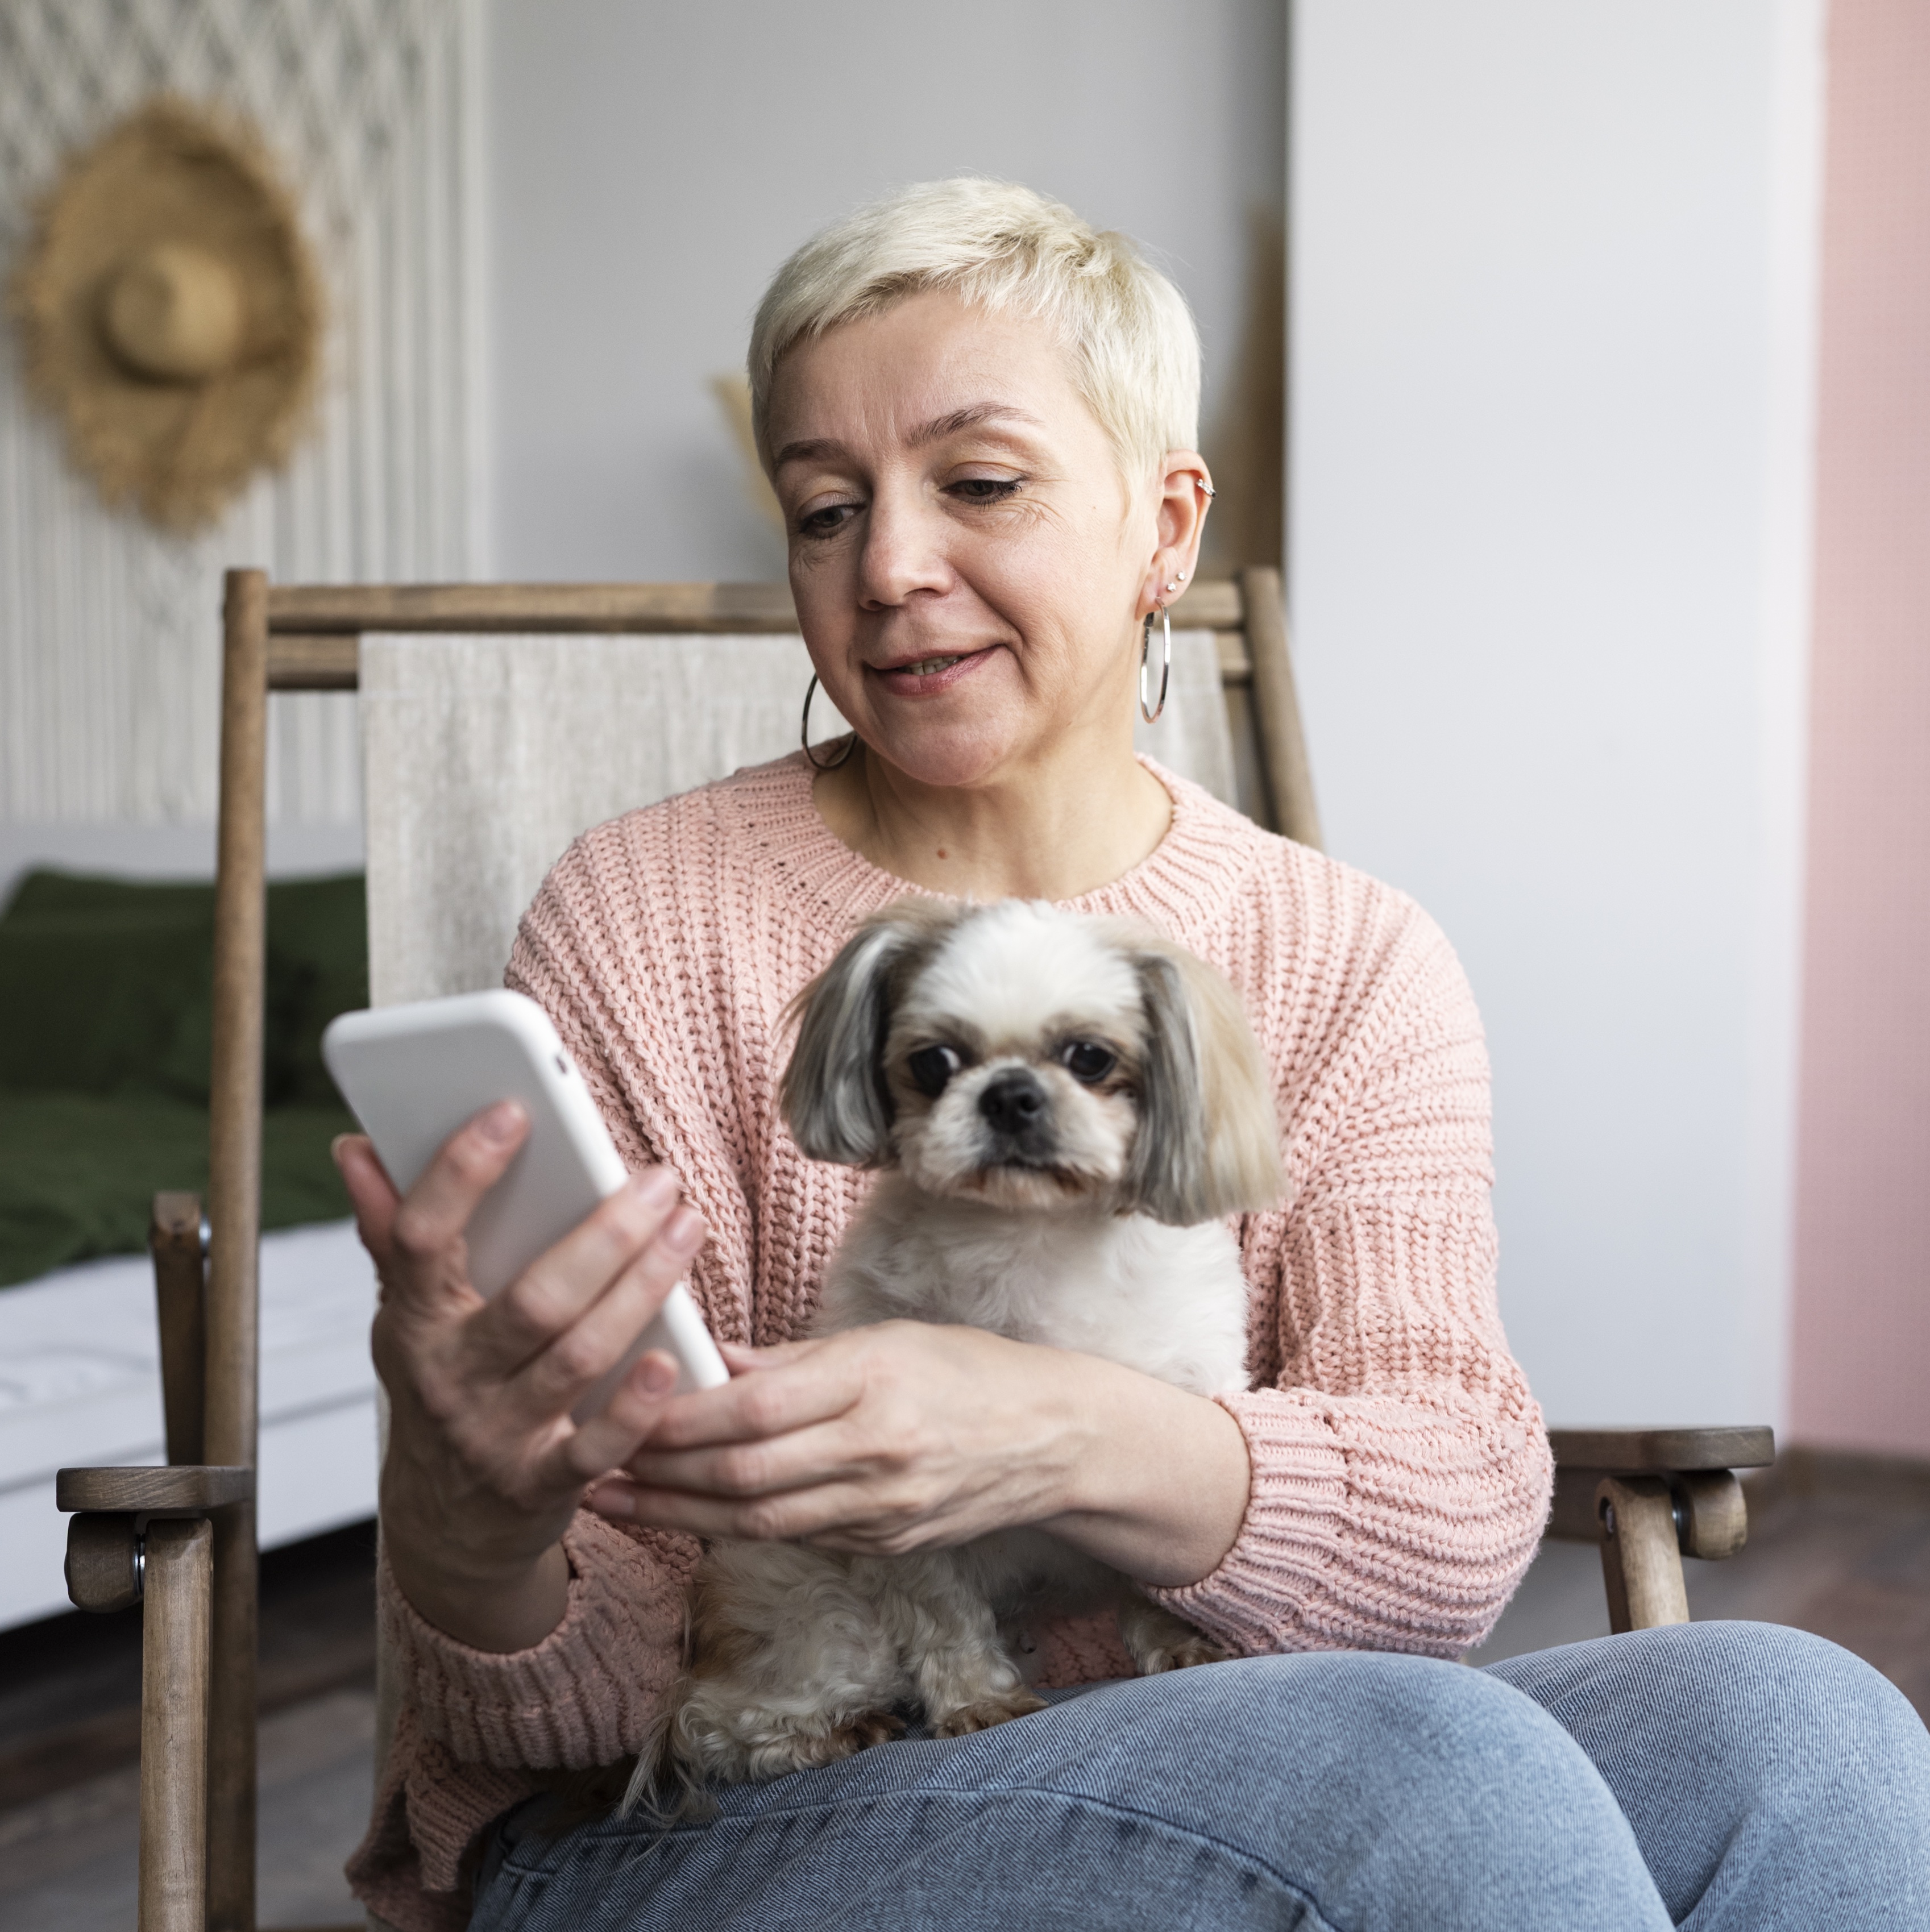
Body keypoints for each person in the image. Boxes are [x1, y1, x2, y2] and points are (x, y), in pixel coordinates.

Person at [341, 180, 1930, 1932]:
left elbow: (1452, 1533)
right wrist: (468, 1511)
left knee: (1804, 1729)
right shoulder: (638, 917)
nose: (888, 568)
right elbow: (574, 1711)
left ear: (1164, 527)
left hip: (1179, 1741)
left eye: (979, 483)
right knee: (1419, 1771)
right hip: (692, 1812)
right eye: (823, 510)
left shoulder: (1346, 954)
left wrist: (1055, 1434)